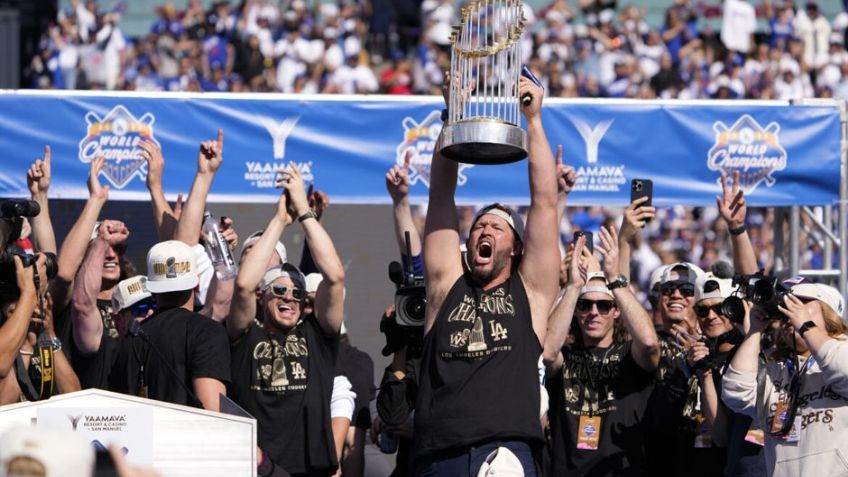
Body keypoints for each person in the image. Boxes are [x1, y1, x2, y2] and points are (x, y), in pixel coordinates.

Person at [414, 76, 560, 475]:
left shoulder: (530, 291)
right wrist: (453, 114)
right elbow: (440, 195)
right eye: (479, 226)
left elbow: (545, 204)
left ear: (515, 247)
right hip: (436, 452)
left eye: (497, 228)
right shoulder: (447, 284)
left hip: (504, 451)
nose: (484, 231)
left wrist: (533, 121)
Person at [227, 163, 345, 477]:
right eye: (279, 289)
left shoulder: (317, 336)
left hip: (312, 469)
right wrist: (280, 219)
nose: (289, 297)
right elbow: (243, 284)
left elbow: (335, 277)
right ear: (263, 295)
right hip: (258, 468)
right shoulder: (245, 335)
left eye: (297, 292)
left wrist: (304, 210)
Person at [544, 226, 659, 476]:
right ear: (576, 309)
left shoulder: (631, 355)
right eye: (585, 305)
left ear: (617, 311)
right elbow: (547, 353)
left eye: (604, 306)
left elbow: (650, 344)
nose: (593, 312)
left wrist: (616, 279)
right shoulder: (565, 355)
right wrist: (574, 287)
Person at [723, 282, 848, 476]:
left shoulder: (843, 349)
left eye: (802, 302)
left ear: (828, 311)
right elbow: (735, 393)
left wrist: (806, 326)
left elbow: (843, 369)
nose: (790, 311)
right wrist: (755, 331)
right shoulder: (777, 369)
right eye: (784, 307)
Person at [109, 239, 231, 411]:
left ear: (151, 289)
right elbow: (213, 414)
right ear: (196, 283)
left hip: (138, 437)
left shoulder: (129, 340)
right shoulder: (208, 333)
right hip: (189, 437)